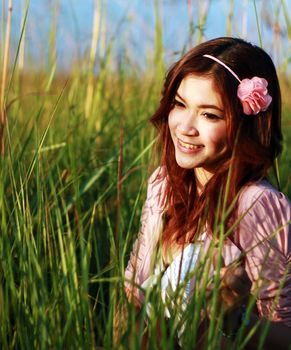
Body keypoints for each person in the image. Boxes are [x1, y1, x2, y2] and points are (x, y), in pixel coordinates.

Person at [115, 37, 291, 349]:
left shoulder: (256, 205)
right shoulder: (164, 184)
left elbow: (284, 332)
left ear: (244, 125)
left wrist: (233, 319)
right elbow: (134, 289)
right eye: (180, 105)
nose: (185, 126)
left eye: (209, 114)